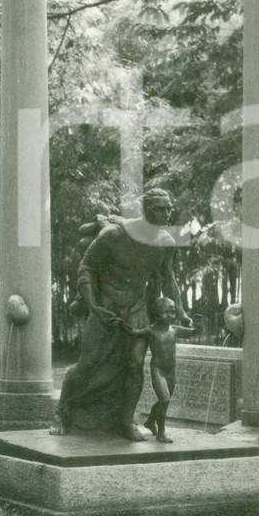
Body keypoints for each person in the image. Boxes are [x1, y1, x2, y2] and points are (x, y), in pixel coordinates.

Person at [53, 188, 192, 440]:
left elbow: (168, 278)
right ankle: (61, 411)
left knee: (134, 364)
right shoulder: (114, 235)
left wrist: (181, 312)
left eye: (170, 207)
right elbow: (86, 268)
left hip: (137, 308)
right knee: (87, 364)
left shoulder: (165, 243)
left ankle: (125, 420)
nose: (168, 212)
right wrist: (94, 306)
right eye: (161, 208)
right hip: (106, 304)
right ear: (146, 209)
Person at [117, 297, 197, 442]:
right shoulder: (150, 331)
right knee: (164, 399)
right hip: (158, 370)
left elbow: (193, 332)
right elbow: (133, 332)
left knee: (163, 401)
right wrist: (122, 324)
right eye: (166, 312)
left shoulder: (174, 330)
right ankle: (161, 433)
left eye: (173, 312)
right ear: (156, 313)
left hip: (171, 371)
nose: (171, 316)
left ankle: (150, 421)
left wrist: (199, 325)